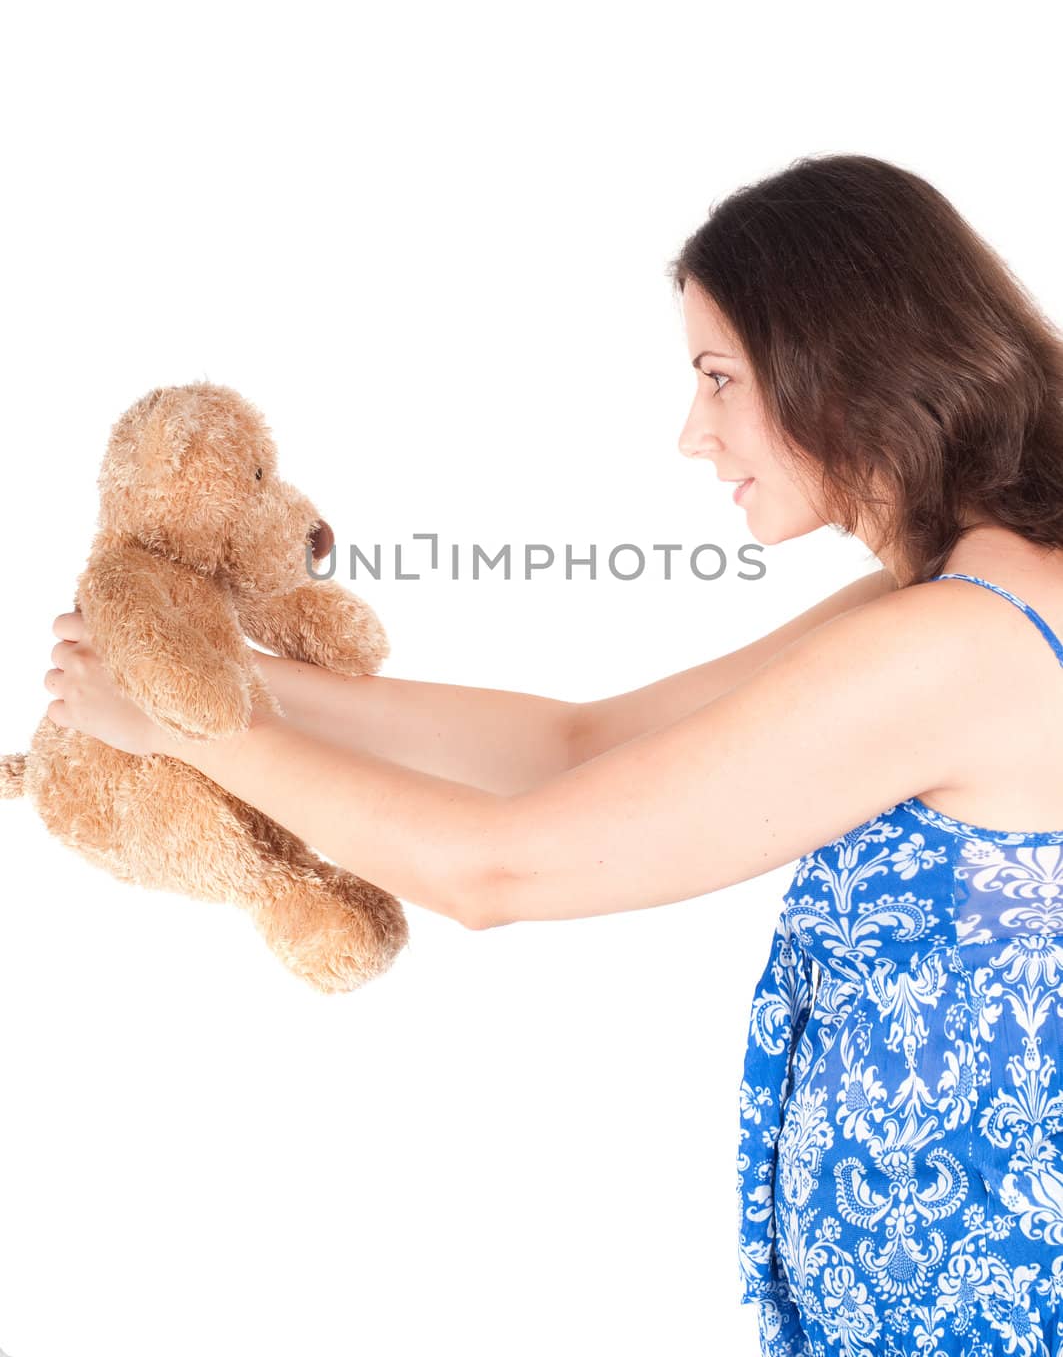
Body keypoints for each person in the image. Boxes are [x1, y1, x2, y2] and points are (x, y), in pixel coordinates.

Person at [43, 153, 1063, 1353]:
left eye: (719, 378)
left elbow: (499, 869)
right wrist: (232, 678)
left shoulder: (960, 643)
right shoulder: (962, 600)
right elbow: (575, 742)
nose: (694, 432)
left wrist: (181, 727)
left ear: (839, 360)